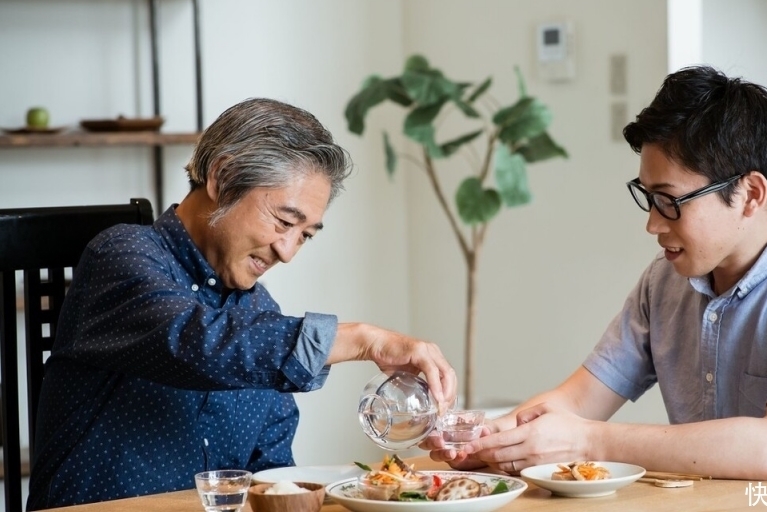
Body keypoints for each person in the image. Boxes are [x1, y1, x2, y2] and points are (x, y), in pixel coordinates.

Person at [426, 66, 767, 490]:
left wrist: (589, 442)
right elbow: (577, 401)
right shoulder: (667, 281)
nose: (653, 224)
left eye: (669, 200)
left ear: (750, 194)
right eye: (647, 197)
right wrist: (492, 440)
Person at [27, 98, 457, 510]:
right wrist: (361, 340)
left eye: (305, 235)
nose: (287, 251)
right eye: (285, 222)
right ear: (222, 177)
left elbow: (273, 474)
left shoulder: (259, 316)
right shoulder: (121, 256)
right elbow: (199, 344)